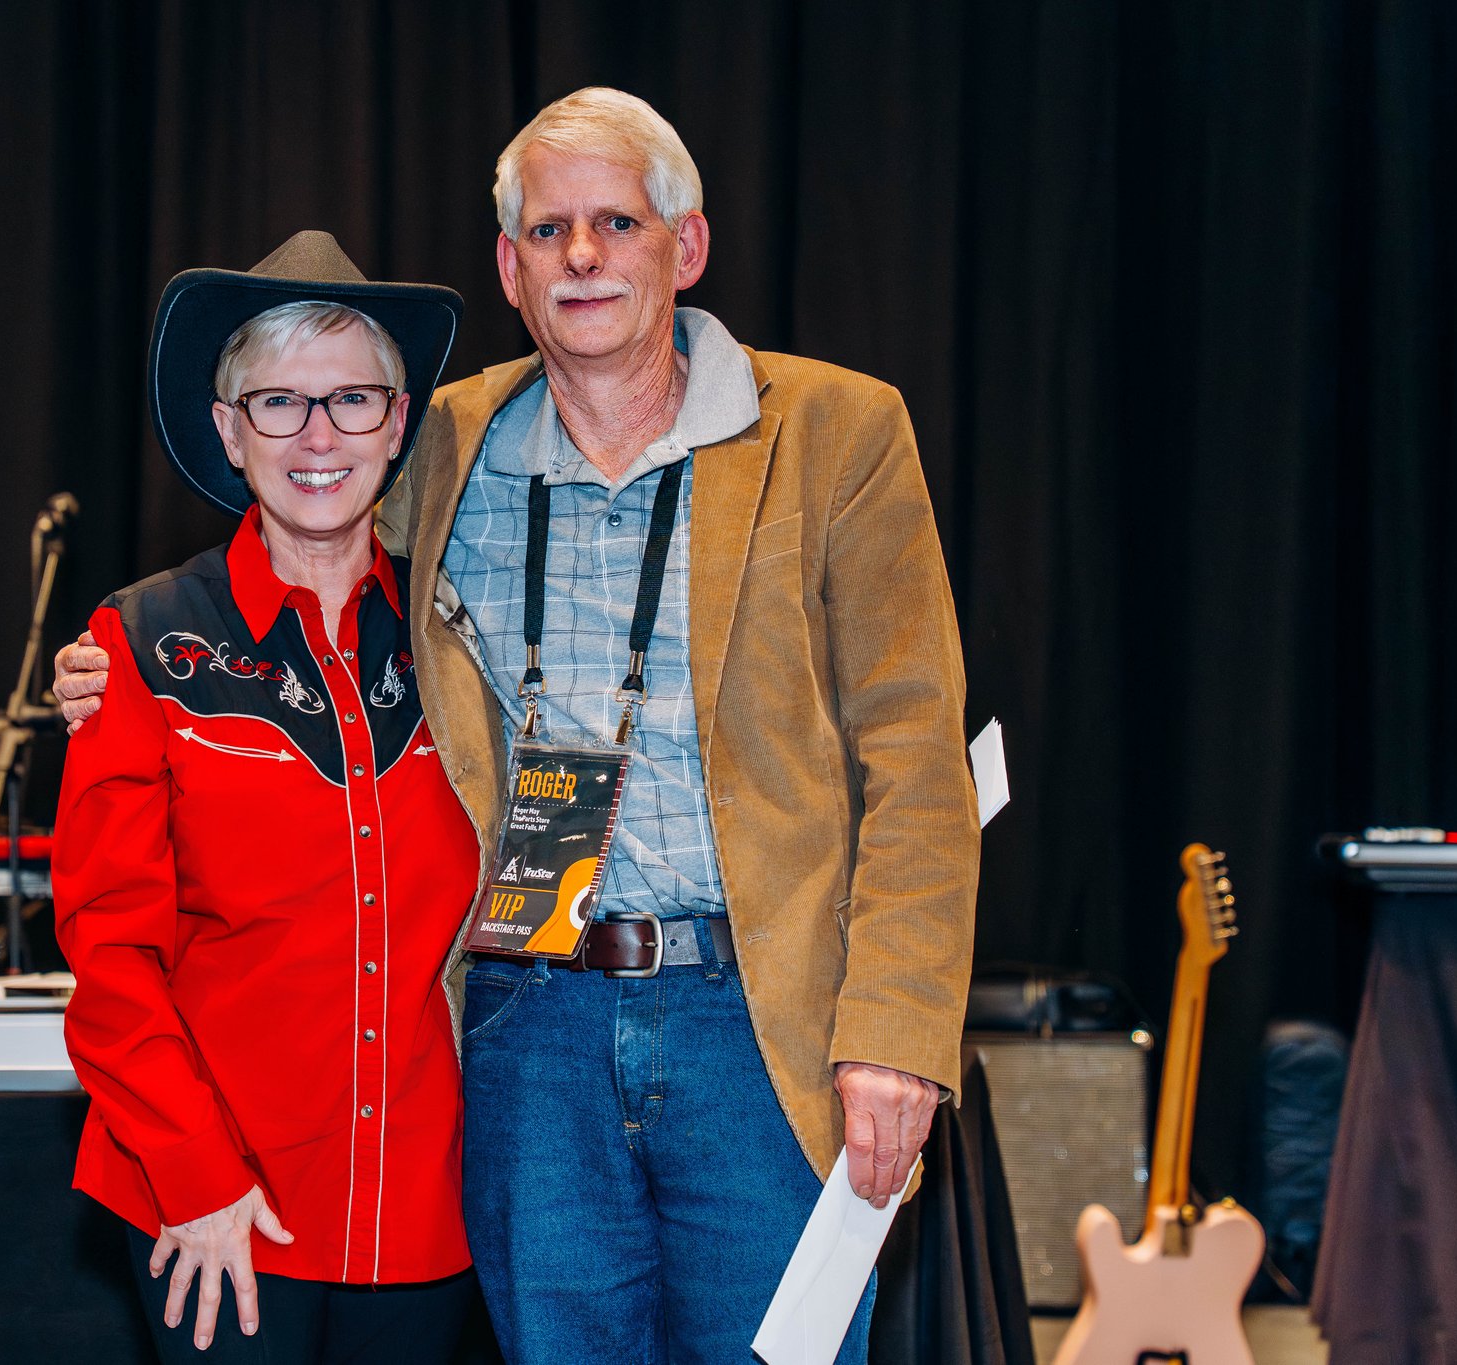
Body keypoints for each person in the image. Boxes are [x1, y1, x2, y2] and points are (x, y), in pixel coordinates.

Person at [58, 89, 978, 1364]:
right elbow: (298, 516)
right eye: (549, 231)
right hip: (525, 1026)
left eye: (616, 223)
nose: (582, 256)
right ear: (509, 267)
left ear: (686, 245)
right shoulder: (447, 440)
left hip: (758, 1024)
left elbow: (916, 757)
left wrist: (894, 1035)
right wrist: (111, 662)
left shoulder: (834, 432)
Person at [51, 231, 487, 1363]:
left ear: (398, 423)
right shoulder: (141, 642)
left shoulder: (468, 641)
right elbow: (109, 952)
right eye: (279, 403)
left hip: (431, 1212)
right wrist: (194, 1177)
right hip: (219, 1214)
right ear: (229, 430)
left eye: (351, 400)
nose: (318, 437)